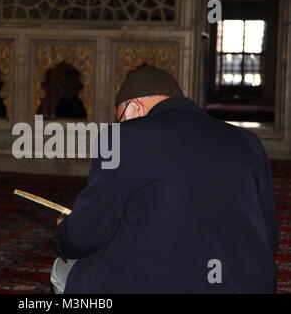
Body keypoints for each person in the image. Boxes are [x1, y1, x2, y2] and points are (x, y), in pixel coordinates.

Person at [50, 64, 278, 294]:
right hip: (248, 286)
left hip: (163, 284)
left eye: (121, 116)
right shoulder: (248, 141)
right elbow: (268, 237)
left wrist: (66, 229)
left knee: (64, 270)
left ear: (135, 107)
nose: (120, 124)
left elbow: (85, 237)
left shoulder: (122, 137)